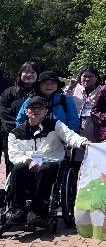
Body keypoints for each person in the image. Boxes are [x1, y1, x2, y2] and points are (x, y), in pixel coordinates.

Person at [6, 96, 89, 227]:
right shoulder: (15, 133)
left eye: (40, 108)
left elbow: (69, 135)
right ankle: (18, 210)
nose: (36, 110)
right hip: (28, 165)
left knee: (45, 169)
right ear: (26, 111)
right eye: (32, 108)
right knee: (17, 169)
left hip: (51, 163)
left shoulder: (55, 125)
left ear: (46, 111)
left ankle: (38, 211)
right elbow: (14, 154)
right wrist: (28, 161)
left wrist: (82, 142)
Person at [1, 61, 42, 176]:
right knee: (14, 167)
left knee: (35, 166)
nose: (29, 75)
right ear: (20, 74)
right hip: (13, 135)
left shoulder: (41, 93)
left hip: (36, 136)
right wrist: (18, 130)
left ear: (37, 75)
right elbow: (4, 112)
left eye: (33, 72)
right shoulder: (10, 92)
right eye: (26, 72)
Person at [64, 65, 102, 143]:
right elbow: (63, 99)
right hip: (73, 127)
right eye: (84, 76)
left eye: (90, 76)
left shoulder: (102, 91)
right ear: (80, 77)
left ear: (96, 77)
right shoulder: (74, 88)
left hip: (93, 129)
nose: (87, 79)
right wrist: (70, 87)